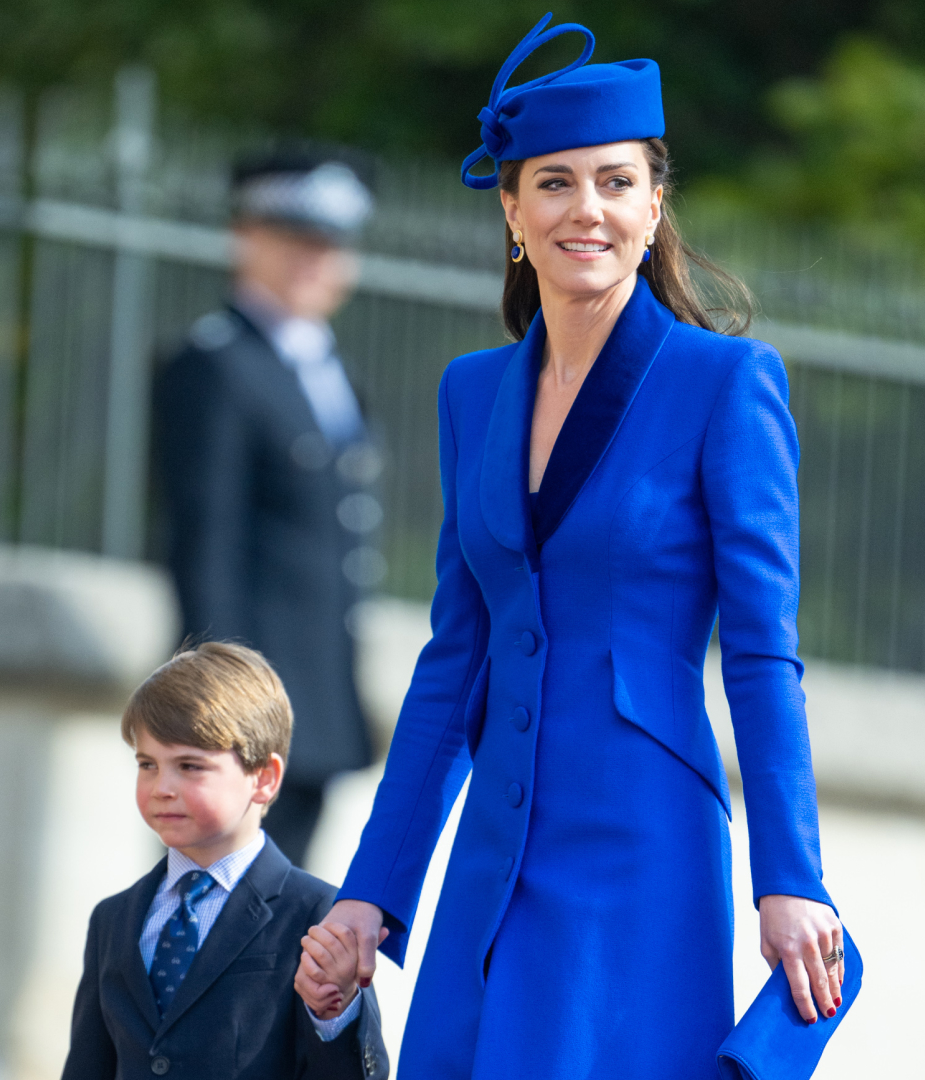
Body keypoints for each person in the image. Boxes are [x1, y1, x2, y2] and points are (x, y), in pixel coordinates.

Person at [295, 16, 850, 1080]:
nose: (584, 209)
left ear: (653, 205)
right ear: (511, 209)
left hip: (640, 848)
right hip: (491, 859)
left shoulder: (726, 384)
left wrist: (790, 876)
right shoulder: (473, 392)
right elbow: (455, 660)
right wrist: (375, 890)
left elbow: (765, 654)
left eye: (614, 182)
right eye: (552, 183)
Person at [154, 146, 383, 868]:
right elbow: (205, 544)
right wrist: (222, 714)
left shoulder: (327, 369)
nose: (314, 261)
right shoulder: (215, 365)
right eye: (294, 239)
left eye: (332, 244)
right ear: (244, 238)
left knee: (275, 927)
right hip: (244, 714)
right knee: (214, 917)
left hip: (314, 700)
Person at [61, 641, 388, 1080]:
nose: (162, 787)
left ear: (264, 779)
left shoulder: (317, 916)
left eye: (190, 766)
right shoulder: (113, 918)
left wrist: (334, 1013)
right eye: (147, 764)